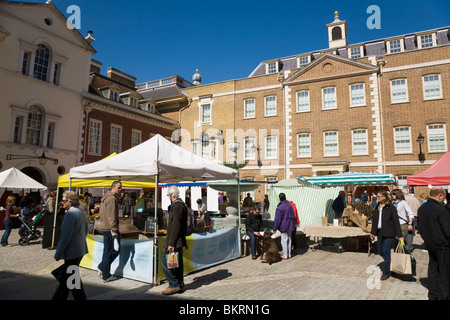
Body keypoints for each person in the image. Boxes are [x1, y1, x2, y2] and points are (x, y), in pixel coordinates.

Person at [52, 191, 88, 300]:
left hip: (72, 252)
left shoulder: (70, 214)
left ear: (70, 202)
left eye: (63, 201)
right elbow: (85, 230)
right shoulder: (80, 211)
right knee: (72, 280)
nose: (62, 203)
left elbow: (65, 237)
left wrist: (58, 253)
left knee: (67, 282)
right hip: (79, 250)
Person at [418, 187, 450, 300]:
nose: (444, 200)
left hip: (430, 244)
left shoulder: (422, 208)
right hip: (443, 246)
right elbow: (448, 230)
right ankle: (443, 296)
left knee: (433, 269)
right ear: (440, 196)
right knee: (444, 272)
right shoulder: (441, 210)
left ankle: (433, 294)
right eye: (444, 197)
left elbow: (420, 227)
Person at [370, 190, 403, 280]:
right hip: (380, 233)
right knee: (380, 251)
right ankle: (389, 264)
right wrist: (373, 232)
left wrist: (400, 235)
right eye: (377, 196)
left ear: (384, 197)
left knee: (386, 251)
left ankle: (386, 273)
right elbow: (375, 220)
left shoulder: (391, 207)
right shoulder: (378, 206)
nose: (377, 198)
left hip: (389, 233)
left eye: (379, 196)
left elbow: (396, 221)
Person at [161, 186, 187, 295]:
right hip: (178, 240)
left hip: (175, 241)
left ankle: (174, 284)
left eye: (168, 195)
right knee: (176, 263)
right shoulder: (179, 205)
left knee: (166, 260)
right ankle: (179, 284)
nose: (168, 196)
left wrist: (171, 243)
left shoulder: (177, 206)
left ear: (172, 195)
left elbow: (176, 225)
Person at [97, 181, 122, 283]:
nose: (120, 190)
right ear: (113, 187)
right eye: (119, 188)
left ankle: (103, 268)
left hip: (105, 227)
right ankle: (105, 272)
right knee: (114, 251)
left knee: (108, 251)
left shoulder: (106, 197)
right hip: (110, 229)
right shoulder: (111, 198)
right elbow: (112, 215)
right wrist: (114, 229)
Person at [273, 193, 296, 260]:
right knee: (289, 239)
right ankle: (289, 254)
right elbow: (293, 216)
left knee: (284, 240)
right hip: (290, 225)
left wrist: (275, 228)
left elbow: (277, 219)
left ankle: (285, 255)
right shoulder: (290, 206)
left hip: (284, 226)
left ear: (279, 198)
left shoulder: (279, 208)